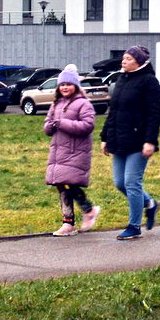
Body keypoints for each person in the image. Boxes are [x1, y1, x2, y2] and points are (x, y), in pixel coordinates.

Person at [101, 44, 160, 240]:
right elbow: (113, 111)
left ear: (139, 62)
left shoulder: (149, 81)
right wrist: (104, 137)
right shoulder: (121, 79)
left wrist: (150, 141)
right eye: (123, 58)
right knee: (120, 183)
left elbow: (155, 114)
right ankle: (150, 203)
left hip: (139, 141)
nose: (124, 61)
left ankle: (134, 226)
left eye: (128, 59)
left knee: (131, 182)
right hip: (119, 139)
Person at [43, 65, 98, 235]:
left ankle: (88, 210)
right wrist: (50, 126)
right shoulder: (56, 104)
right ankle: (68, 222)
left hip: (76, 152)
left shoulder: (83, 104)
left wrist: (62, 123)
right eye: (62, 85)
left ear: (75, 86)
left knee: (68, 183)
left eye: (68, 84)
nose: (65, 87)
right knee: (61, 185)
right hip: (59, 152)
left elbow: (87, 125)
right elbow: (47, 124)